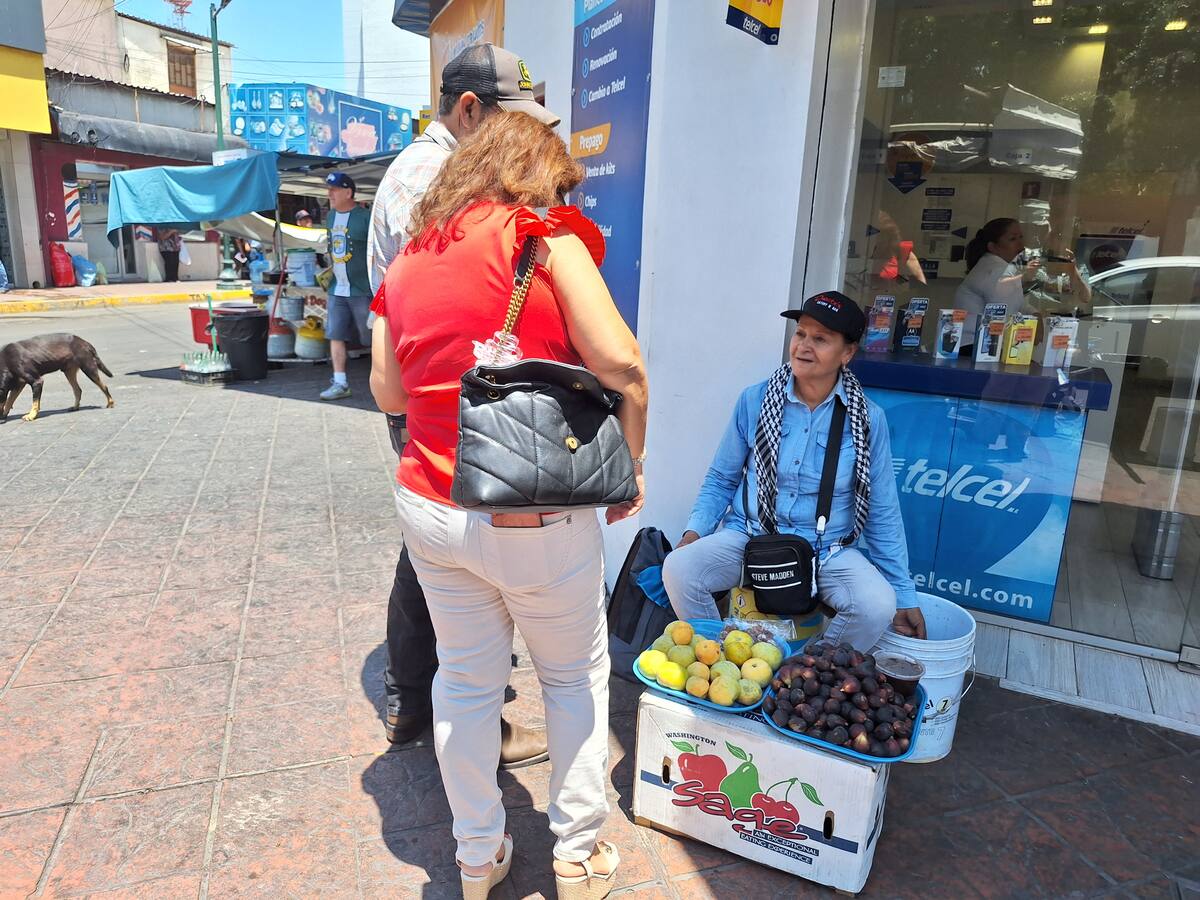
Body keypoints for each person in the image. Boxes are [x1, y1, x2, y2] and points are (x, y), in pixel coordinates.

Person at [370, 111, 647, 898]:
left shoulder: (410, 259)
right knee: (573, 677)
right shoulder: (542, 237)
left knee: (462, 681)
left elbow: (388, 388)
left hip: (429, 501)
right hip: (535, 508)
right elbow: (623, 364)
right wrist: (634, 460)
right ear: (535, 175)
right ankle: (577, 848)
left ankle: (476, 853)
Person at [365, 43, 558, 770]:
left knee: (431, 553)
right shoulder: (435, 176)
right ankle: (476, 719)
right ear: (471, 110)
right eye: (511, 125)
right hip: (449, 397)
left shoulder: (423, 169)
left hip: (431, 391)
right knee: (471, 555)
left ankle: (411, 698)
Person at [662, 291, 927, 650]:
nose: (803, 345)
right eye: (800, 333)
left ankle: (809, 672)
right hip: (750, 537)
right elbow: (722, 478)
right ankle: (723, 657)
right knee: (680, 569)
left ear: (847, 353)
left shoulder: (867, 419)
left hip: (828, 551)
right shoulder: (755, 400)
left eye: (820, 339)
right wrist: (695, 532)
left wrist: (903, 593)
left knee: (877, 605)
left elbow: (882, 510)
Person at [319, 173, 373, 401]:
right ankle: (340, 381)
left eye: (334, 189)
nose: (329, 194)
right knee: (335, 334)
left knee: (372, 337)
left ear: (348, 192)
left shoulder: (364, 217)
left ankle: (383, 380)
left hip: (361, 289)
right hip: (337, 289)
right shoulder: (331, 217)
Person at [873, 210, 927, 285]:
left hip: (901, 294)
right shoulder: (870, 253)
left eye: (883, 234)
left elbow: (921, 285)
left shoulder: (905, 252)